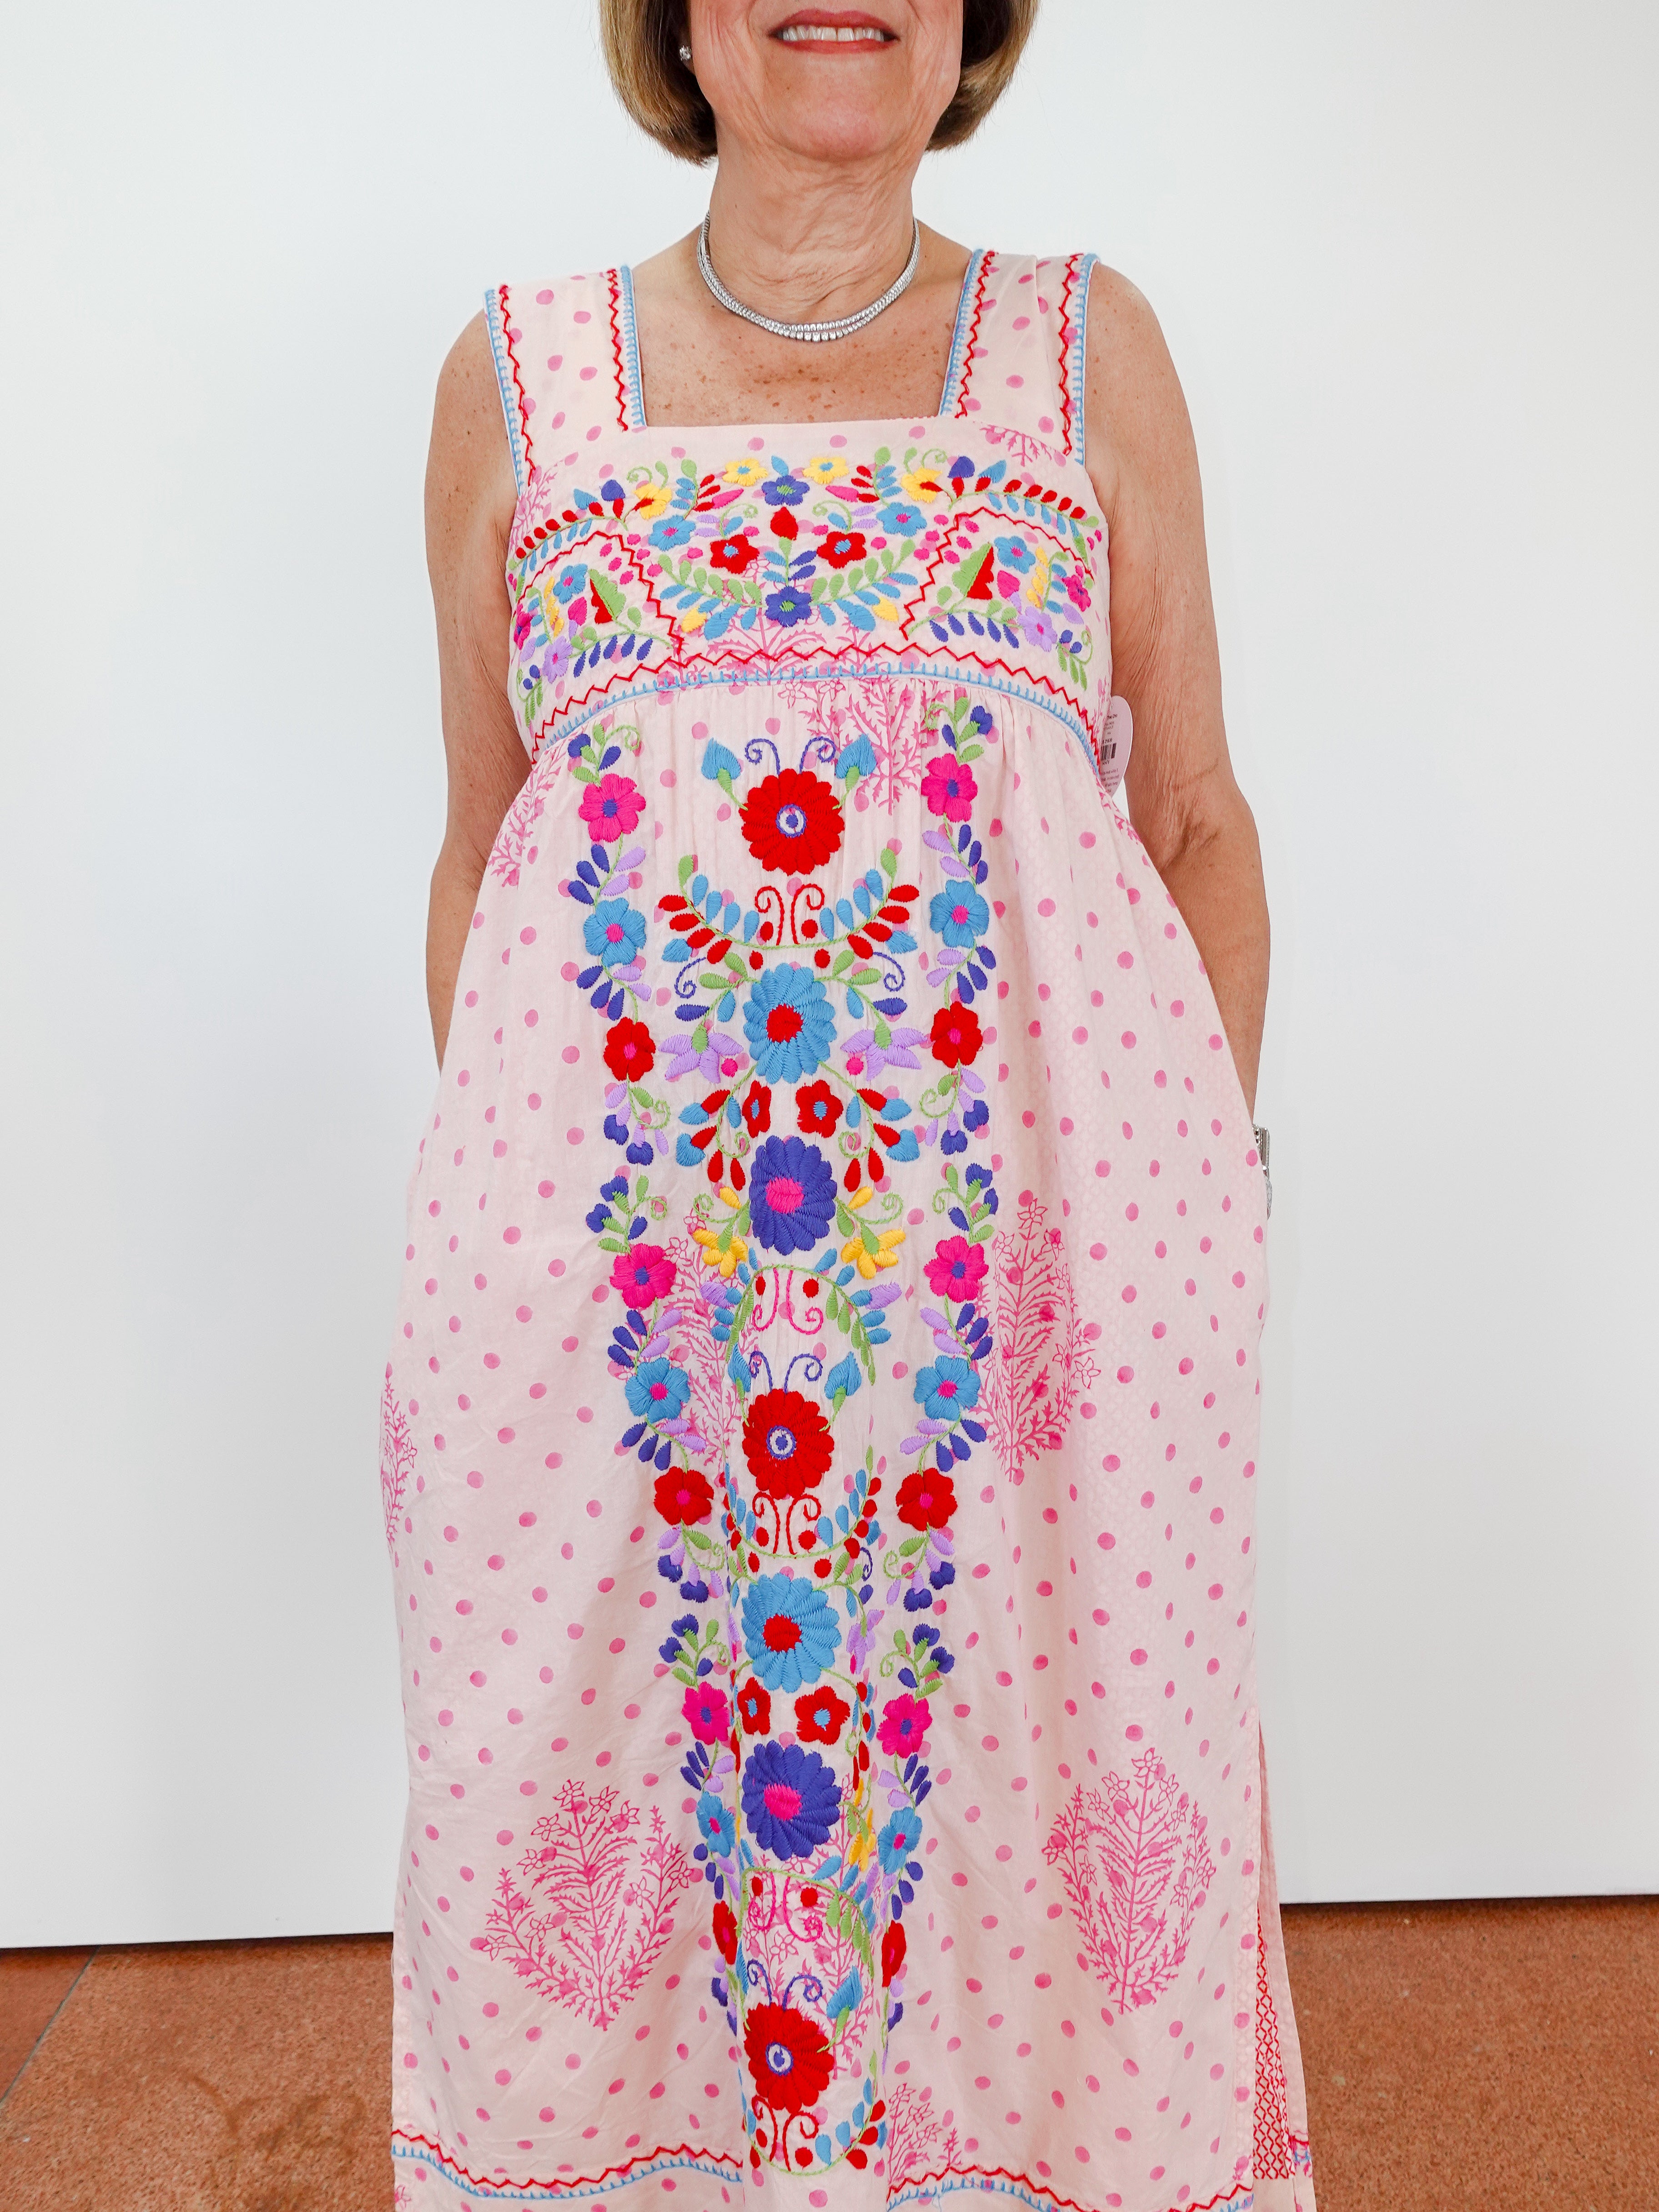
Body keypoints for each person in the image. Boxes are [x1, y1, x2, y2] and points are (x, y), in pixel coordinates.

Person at [382, 4, 1314, 2207]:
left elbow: (1192, 820)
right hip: (620, 1334)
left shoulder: (1085, 352)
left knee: (1041, 1826)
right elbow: (483, 847)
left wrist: (1179, 1243)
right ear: (678, 17)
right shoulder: (518, 378)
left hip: (1032, 1333)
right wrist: (541, 1247)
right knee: (586, 1803)